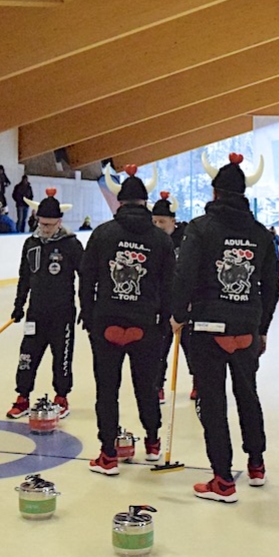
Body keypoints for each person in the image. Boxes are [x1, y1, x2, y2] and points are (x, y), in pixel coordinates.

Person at [172, 153, 279, 503]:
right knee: (248, 394)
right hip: (246, 327)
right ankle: (257, 464)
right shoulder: (261, 234)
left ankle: (222, 479)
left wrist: (177, 314)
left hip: (206, 329)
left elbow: (184, 275)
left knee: (212, 401)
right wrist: (262, 327)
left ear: (215, 193)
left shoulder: (200, 228)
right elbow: (272, 285)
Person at [79, 167, 175, 474]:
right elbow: (169, 285)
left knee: (106, 390)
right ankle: (152, 443)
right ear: (145, 203)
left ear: (120, 202)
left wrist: (89, 314)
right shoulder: (161, 240)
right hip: (144, 324)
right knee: (146, 387)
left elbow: (86, 278)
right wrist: (163, 323)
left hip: (107, 322)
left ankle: (108, 454)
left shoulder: (103, 233)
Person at [6, 189, 84, 420]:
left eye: (50, 224)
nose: (45, 228)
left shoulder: (72, 245)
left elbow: (86, 276)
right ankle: (22, 397)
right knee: (27, 355)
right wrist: (19, 305)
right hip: (36, 312)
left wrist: (87, 307)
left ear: (59, 222)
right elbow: (24, 276)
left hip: (63, 314)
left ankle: (61, 397)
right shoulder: (30, 244)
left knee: (62, 357)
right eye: (42, 223)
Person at [151, 191, 191, 402]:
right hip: (160, 303)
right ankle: (158, 385)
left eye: (162, 221)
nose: (158, 225)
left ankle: (198, 382)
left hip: (184, 302)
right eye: (154, 221)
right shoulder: (151, 240)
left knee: (191, 346)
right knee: (159, 347)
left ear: (173, 221)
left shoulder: (186, 240)